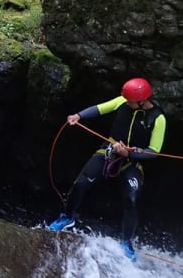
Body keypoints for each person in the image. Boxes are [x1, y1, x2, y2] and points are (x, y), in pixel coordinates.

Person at [48, 77, 166, 260]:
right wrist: (79, 115)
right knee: (81, 183)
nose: (127, 103)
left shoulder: (158, 118)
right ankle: (68, 216)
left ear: (142, 101)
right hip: (109, 151)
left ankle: (126, 241)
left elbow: (153, 151)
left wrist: (129, 153)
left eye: (131, 101)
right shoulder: (122, 101)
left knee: (131, 198)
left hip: (133, 160)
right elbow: (100, 108)